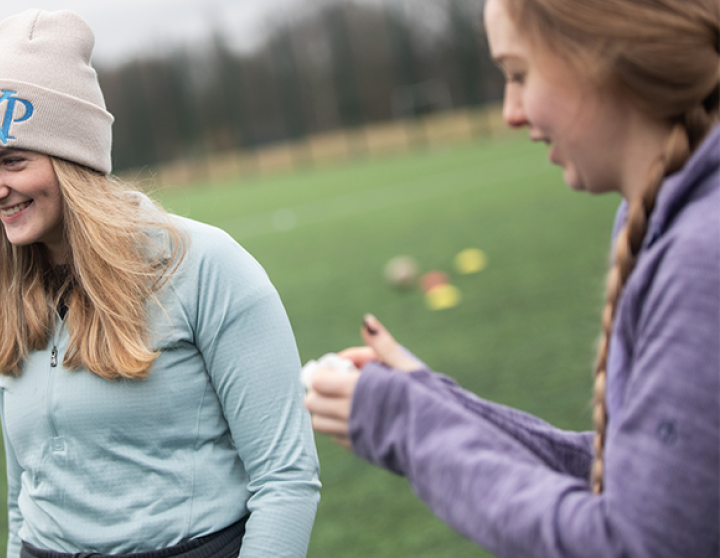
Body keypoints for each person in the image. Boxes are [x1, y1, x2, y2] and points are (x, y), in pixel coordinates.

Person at [305, 0, 719, 556]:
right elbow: (642, 487)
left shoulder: (701, 257)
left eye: (519, 75)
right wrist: (433, 402)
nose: (511, 112)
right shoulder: (676, 223)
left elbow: (632, 543)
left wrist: (406, 422)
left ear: (610, 56)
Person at [0, 10, 319, 558]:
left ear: (74, 159)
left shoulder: (206, 265)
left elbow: (286, 480)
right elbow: (24, 500)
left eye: (11, 160)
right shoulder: (9, 289)